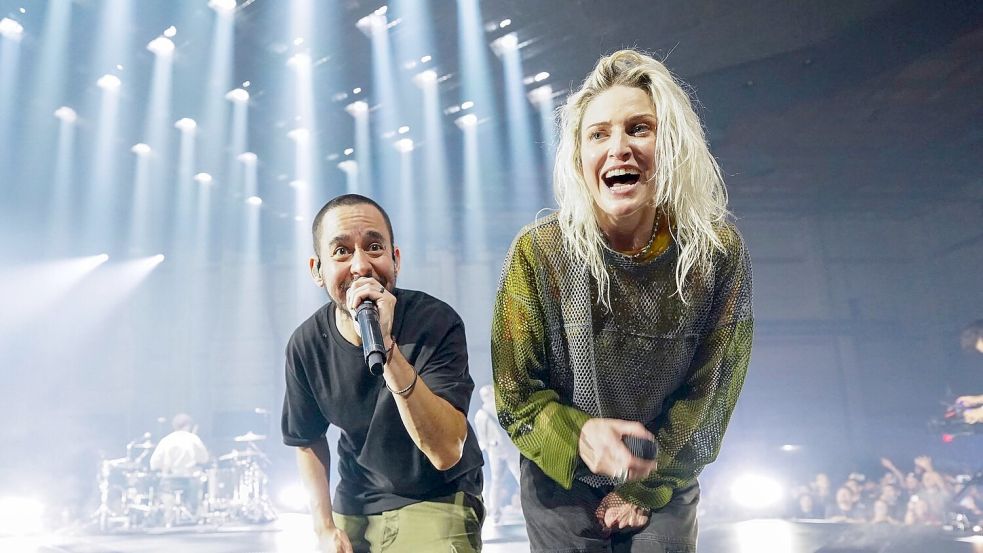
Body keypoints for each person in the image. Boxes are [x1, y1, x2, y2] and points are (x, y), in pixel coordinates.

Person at [492, 49, 753, 552]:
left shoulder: (716, 254)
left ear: (671, 145)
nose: (619, 149)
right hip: (560, 473)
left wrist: (643, 486)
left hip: (664, 471)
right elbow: (517, 393)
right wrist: (580, 437)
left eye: (639, 129)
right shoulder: (539, 252)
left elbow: (712, 392)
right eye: (598, 134)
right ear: (579, 158)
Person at [281, 194, 484, 553]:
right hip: (356, 501)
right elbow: (307, 438)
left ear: (396, 259)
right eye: (341, 251)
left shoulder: (435, 322)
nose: (361, 265)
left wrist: (387, 348)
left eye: (374, 247)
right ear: (317, 270)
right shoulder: (306, 344)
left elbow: (445, 451)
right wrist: (325, 527)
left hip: (436, 495)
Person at [473, 384, 520, 524]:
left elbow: (482, 436)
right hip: (510, 448)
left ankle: (495, 512)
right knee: (520, 477)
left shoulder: (480, 414)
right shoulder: (502, 408)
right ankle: (528, 505)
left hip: (495, 450)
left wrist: (488, 447)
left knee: (496, 480)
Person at [149, 413, 209, 520]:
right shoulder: (193, 439)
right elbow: (204, 458)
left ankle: (169, 516)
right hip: (189, 481)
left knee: (164, 492)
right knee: (199, 483)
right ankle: (193, 514)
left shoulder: (166, 440)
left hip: (170, 481)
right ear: (188, 425)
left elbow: (154, 464)